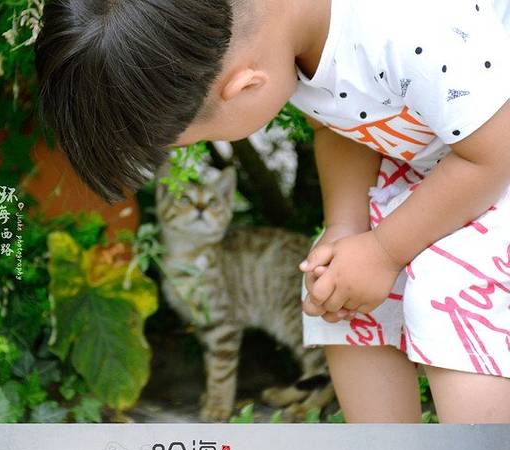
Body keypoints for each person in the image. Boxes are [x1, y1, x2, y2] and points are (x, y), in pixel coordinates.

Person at [35, 0, 510, 422]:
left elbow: (495, 149)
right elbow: (337, 123)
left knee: (448, 288)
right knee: (335, 285)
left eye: (202, 138)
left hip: (495, 155)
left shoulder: (410, 26)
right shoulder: (288, 42)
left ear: (245, 86)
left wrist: (384, 251)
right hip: (453, 164)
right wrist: (345, 228)